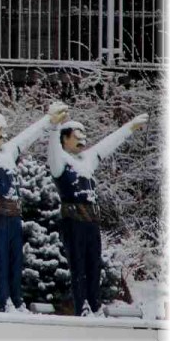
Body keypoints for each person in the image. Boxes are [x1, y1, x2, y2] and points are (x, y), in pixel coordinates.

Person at [47, 109, 149, 316]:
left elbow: (108, 144)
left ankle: (95, 304)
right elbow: (53, 151)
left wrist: (129, 127)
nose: (82, 139)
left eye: (84, 135)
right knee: (78, 267)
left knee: (94, 266)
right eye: (77, 135)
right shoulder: (61, 163)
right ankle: (81, 306)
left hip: (91, 221)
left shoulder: (87, 160)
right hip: (73, 220)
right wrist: (54, 126)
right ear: (65, 139)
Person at [0, 97, 61, 312]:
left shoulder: (8, 152)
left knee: (15, 260)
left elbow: (27, 136)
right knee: (0, 260)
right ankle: (4, 302)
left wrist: (49, 120)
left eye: (4, 129)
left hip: (13, 216)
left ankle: (17, 300)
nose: (3, 133)